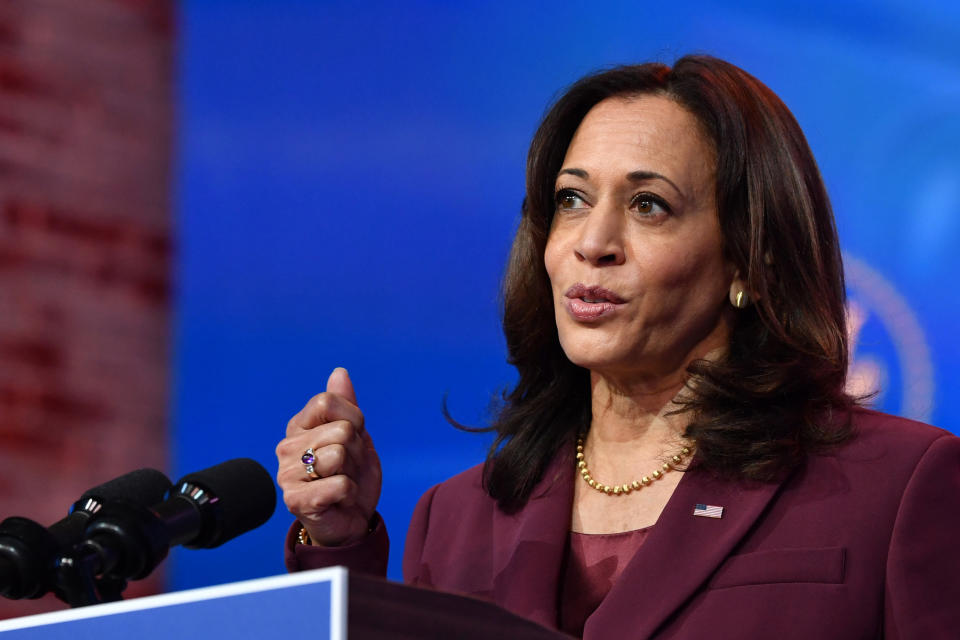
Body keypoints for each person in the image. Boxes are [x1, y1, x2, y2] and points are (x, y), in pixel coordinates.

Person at [275, 54, 960, 639]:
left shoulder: (898, 485)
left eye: (648, 206)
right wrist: (338, 545)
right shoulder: (459, 516)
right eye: (572, 200)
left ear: (750, 263)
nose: (592, 243)